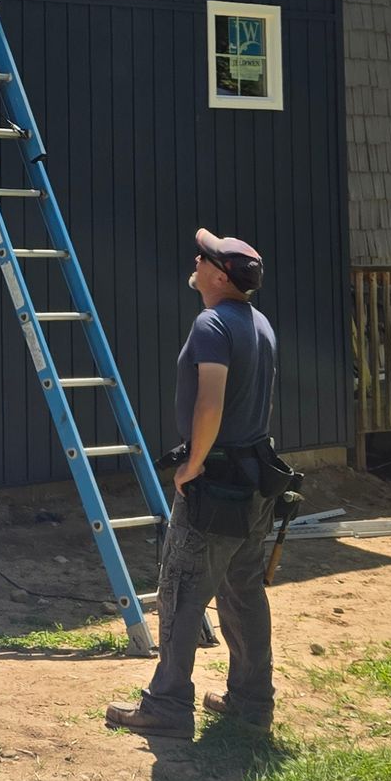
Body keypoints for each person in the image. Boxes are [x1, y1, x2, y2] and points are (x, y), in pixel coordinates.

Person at [105, 227, 280, 742]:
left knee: (180, 590)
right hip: (254, 481)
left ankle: (167, 706)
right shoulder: (259, 323)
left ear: (220, 275)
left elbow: (211, 403)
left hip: (217, 483)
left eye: (203, 257)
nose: (195, 260)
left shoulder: (211, 324)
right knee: (243, 589)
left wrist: (192, 464)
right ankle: (251, 701)